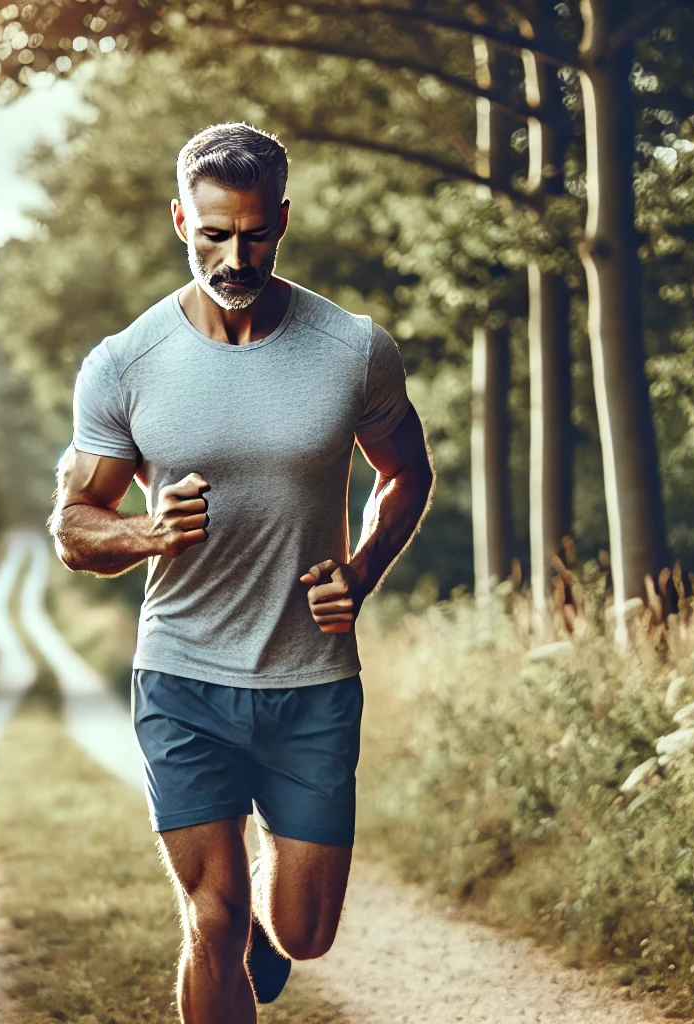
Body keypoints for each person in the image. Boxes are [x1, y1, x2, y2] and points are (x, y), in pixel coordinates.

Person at [50, 121, 435, 1023]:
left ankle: (270, 924)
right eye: (212, 234)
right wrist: (147, 534)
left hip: (312, 681)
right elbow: (73, 528)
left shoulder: (354, 350)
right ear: (180, 218)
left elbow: (405, 472)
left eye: (254, 233)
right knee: (211, 917)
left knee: (302, 933)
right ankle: (232, 923)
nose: (233, 256)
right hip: (183, 674)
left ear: (284, 221)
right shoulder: (124, 364)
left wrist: (365, 568)